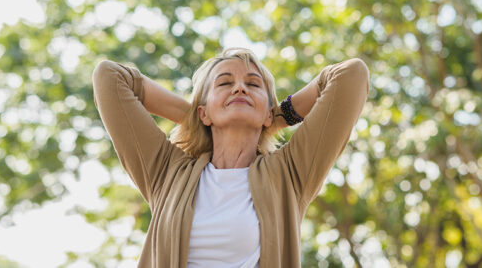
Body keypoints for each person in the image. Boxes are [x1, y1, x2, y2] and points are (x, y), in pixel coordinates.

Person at [91, 47, 369, 267]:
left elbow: (351, 75)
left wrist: (277, 117)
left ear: (267, 112)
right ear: (203, 111)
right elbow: (110, 76)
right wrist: (196, 117)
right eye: (225, 83)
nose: (240, 88)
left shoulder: (290, 174)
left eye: (253, 84)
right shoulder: (167, 172)